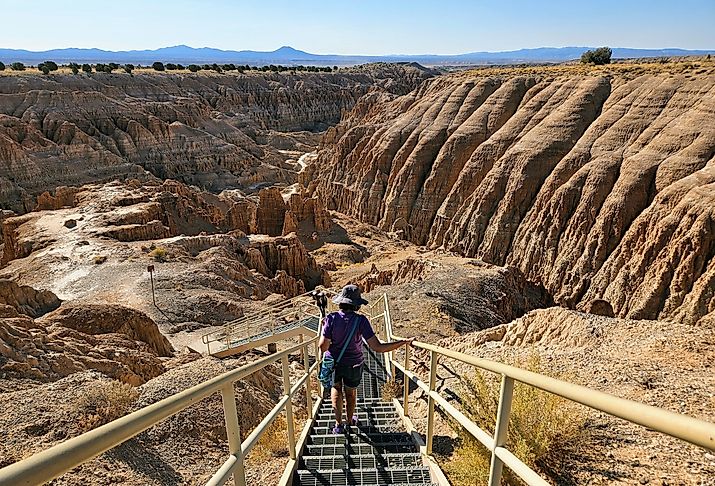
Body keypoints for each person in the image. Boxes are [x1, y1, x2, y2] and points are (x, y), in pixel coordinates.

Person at [319, 284, 413, 434]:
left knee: (336, 390)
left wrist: (325, 329)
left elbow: (323, 347)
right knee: (350, 393)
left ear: (341, 302)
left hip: (333, 363)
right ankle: (350, 421)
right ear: (356, 305)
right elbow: (377, 347)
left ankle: (338, 425)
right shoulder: (361, 321)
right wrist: (402, 343)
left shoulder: (330, 319)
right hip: (354, 364)